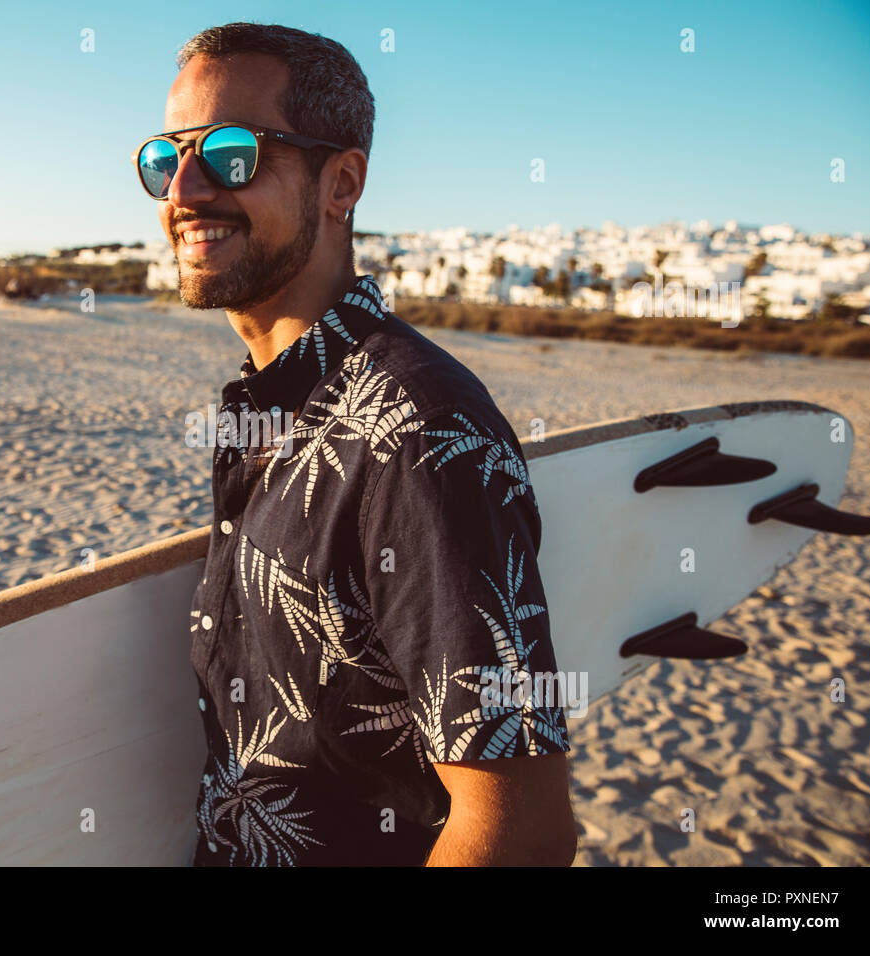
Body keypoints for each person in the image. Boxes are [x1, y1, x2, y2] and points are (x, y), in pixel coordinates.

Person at [134, 21, 577, 866]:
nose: (184, 190)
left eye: (232, 153)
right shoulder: (277, 404)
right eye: (166, 156)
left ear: (342, 182)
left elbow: (520, 830)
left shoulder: (416, 432)